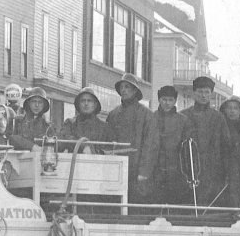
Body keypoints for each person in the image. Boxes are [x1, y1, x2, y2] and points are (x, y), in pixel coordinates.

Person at [180, 76, 239, 208]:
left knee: (211, 208)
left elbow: (226, 147)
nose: (203, 95)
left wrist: (226, 172)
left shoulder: (219, 118)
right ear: (194, 93)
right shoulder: (183, 116)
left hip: (213, 172)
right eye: (200, 92)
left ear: (211, 94)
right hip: (189, 170)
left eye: (207, 92)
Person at [107, 73, 159, 206]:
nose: (123, 90)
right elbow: (108, 143)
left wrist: (144, 172)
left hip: (137, 173)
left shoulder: (147, 114)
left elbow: (151, 145)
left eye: (127, 87)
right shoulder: (113, 115)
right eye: (121, 87)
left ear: (135, 90)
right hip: (117, 171)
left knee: (137, 207)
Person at [152, 85, 192, 206]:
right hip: (155, 170)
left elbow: (187, 149)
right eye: (164, 99)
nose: (167, 103)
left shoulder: (183, 120)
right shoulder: (151, 118)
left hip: (176, 171)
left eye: (170, 100)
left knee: (175, 203)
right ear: (159, 100)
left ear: (175, 101)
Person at [57, 87, 115, 153]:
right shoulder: (70, 123)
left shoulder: (104, 127)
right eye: (83, 101)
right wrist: (82, 145)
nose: (86, 104)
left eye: (89, 101)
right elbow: (64, 139)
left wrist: (97, 152)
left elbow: (110, 149)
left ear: (95, 104)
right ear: (78, 104)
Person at [8, 87, 53, 151]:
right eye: (34, 101)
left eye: (40, 102)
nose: (37, 105)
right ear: (29, 103)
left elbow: (54, 145)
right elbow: (12, 138)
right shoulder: (18, 121)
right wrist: (32, 147)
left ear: (44, 105)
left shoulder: (48, 126)